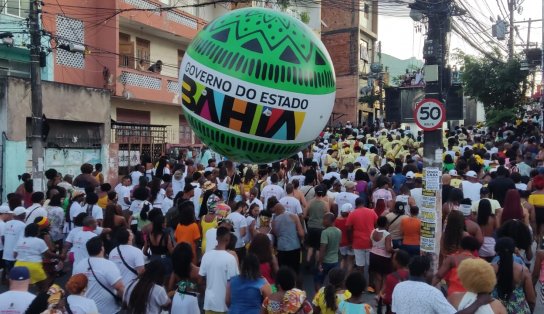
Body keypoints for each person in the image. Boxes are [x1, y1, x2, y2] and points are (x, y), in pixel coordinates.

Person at [392, 255, 489, 314]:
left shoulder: (398, 287)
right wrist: (479, 302)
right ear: (425, 272)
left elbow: (394, 311)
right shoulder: (432, 293)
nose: (433, 273)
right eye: (431, 270)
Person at [72, 237, 124, 313]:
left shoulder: (80, 265)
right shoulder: (108, 265)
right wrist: (124, 301)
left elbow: (74, 287)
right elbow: (120, 288)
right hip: (108, 310)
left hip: (87, 310)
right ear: (102, 248)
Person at [199, 226, 239, 313]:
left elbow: (201, 279)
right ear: (228, 240)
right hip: (224, 305)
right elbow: (233, 283)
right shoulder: (231, 258)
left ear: (216, 238)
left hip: (209, 304)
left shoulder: (206, 256)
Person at [492, 237, 535, 313]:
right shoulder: (523, 271)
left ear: (497, 251)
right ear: (513, 251)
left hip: (496, 309)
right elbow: (531, 299)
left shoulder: (491, 269)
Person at [13, 223, 58, 291]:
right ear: (36, 232)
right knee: (44, 286)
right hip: (34, 266)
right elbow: (48, 254)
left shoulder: (20, 241)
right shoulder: (39, 241)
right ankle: (40, 299)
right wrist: (60, 257)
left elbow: (15, 255)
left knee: (21, 288)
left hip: (18, 266)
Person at [346, 197, 378, 275]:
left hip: (357, 243)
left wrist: (350, 241)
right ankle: (371, 284)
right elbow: (377, 224)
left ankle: (361, 283)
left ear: (356, 204)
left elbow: (348, 228)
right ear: (364, 203)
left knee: (360, 265)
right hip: (370, 242)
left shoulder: (352, 213)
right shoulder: (372, 212)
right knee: (371, 265)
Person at [272, 203, 305, 274]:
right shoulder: (294, 216)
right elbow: (301, 233)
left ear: (276, 211)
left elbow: (275, 233)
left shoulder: (274, 220)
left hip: (281, 248)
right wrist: (302, 240)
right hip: (294, 247)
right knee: (295, 270)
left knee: (283, 271)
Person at [169, 242, 201, 313]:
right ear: (191, 256)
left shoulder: (176, 272)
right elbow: (201, 290)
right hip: (195, 303)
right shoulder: (198, 272)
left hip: (179, 300)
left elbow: (170, 287)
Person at [303, 184, 328, 268]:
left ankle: (308, 261)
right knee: (318, 247)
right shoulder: (325, 204)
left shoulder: (310, 202)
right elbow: (327, 216)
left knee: (310, 246)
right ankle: (317, 264)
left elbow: (304, 215)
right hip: (321, 227)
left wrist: (310, 217)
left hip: (311, 226)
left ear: (315, 192)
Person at [369, 216, 394, 296]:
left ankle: (377, 295)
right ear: (386, 224)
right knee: (385, 277)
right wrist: (395, 250)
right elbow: (388, 249)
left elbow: (371, 243)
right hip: (384, 257)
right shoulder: (387, 235)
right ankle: (382, 295)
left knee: (377, 277)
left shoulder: (373, 231)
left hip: (373, 255)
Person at [316, 213, 341, 289]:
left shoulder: (325, 232)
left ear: (328, 221)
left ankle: (319, 297)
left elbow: (323, 248)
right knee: (334, 282)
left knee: (318, 281)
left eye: (324, 219)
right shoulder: (339, 231)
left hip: (325, 261)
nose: (322, 221)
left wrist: (320, 262)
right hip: (335, 261)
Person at [3, 207, 26, 276]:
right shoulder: (23, 225)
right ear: (21, 215)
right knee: (16, 274)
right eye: (24, 214)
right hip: (16, 254)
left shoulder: (7, 223)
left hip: (6, 253)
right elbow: (22, 240)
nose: (25, 215)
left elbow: (3, 238)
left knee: (10, 272)